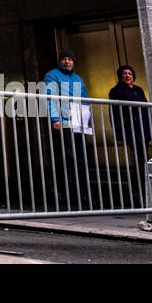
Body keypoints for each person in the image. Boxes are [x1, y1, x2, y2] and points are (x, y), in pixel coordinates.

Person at [43, 49, 93, 210]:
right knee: (65, 159)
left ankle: (82, 194)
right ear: (60, 61)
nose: (67, 62)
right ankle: (60, 192)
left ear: (73, 62)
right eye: (64, 59)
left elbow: (85, 100)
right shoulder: (52, 75)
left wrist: (88, 121)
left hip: (79, 124)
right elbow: (50, 98)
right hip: (63, 123)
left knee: (80, 159)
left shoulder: (78, 78)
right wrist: (55, 118)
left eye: (70, 59)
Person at [108, 64, 152, 206]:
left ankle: (143, 188)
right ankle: (140, 189)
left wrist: (150, 128)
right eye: (124, 73)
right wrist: (119, 131)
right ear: (120, 76)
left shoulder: (138, 90)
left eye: (130, 73)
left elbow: (145, 109)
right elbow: (114, 112)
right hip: (130, 130)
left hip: (143, 130)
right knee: (141, 159)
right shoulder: (116, 91)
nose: (127, 76)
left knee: (143, 158)